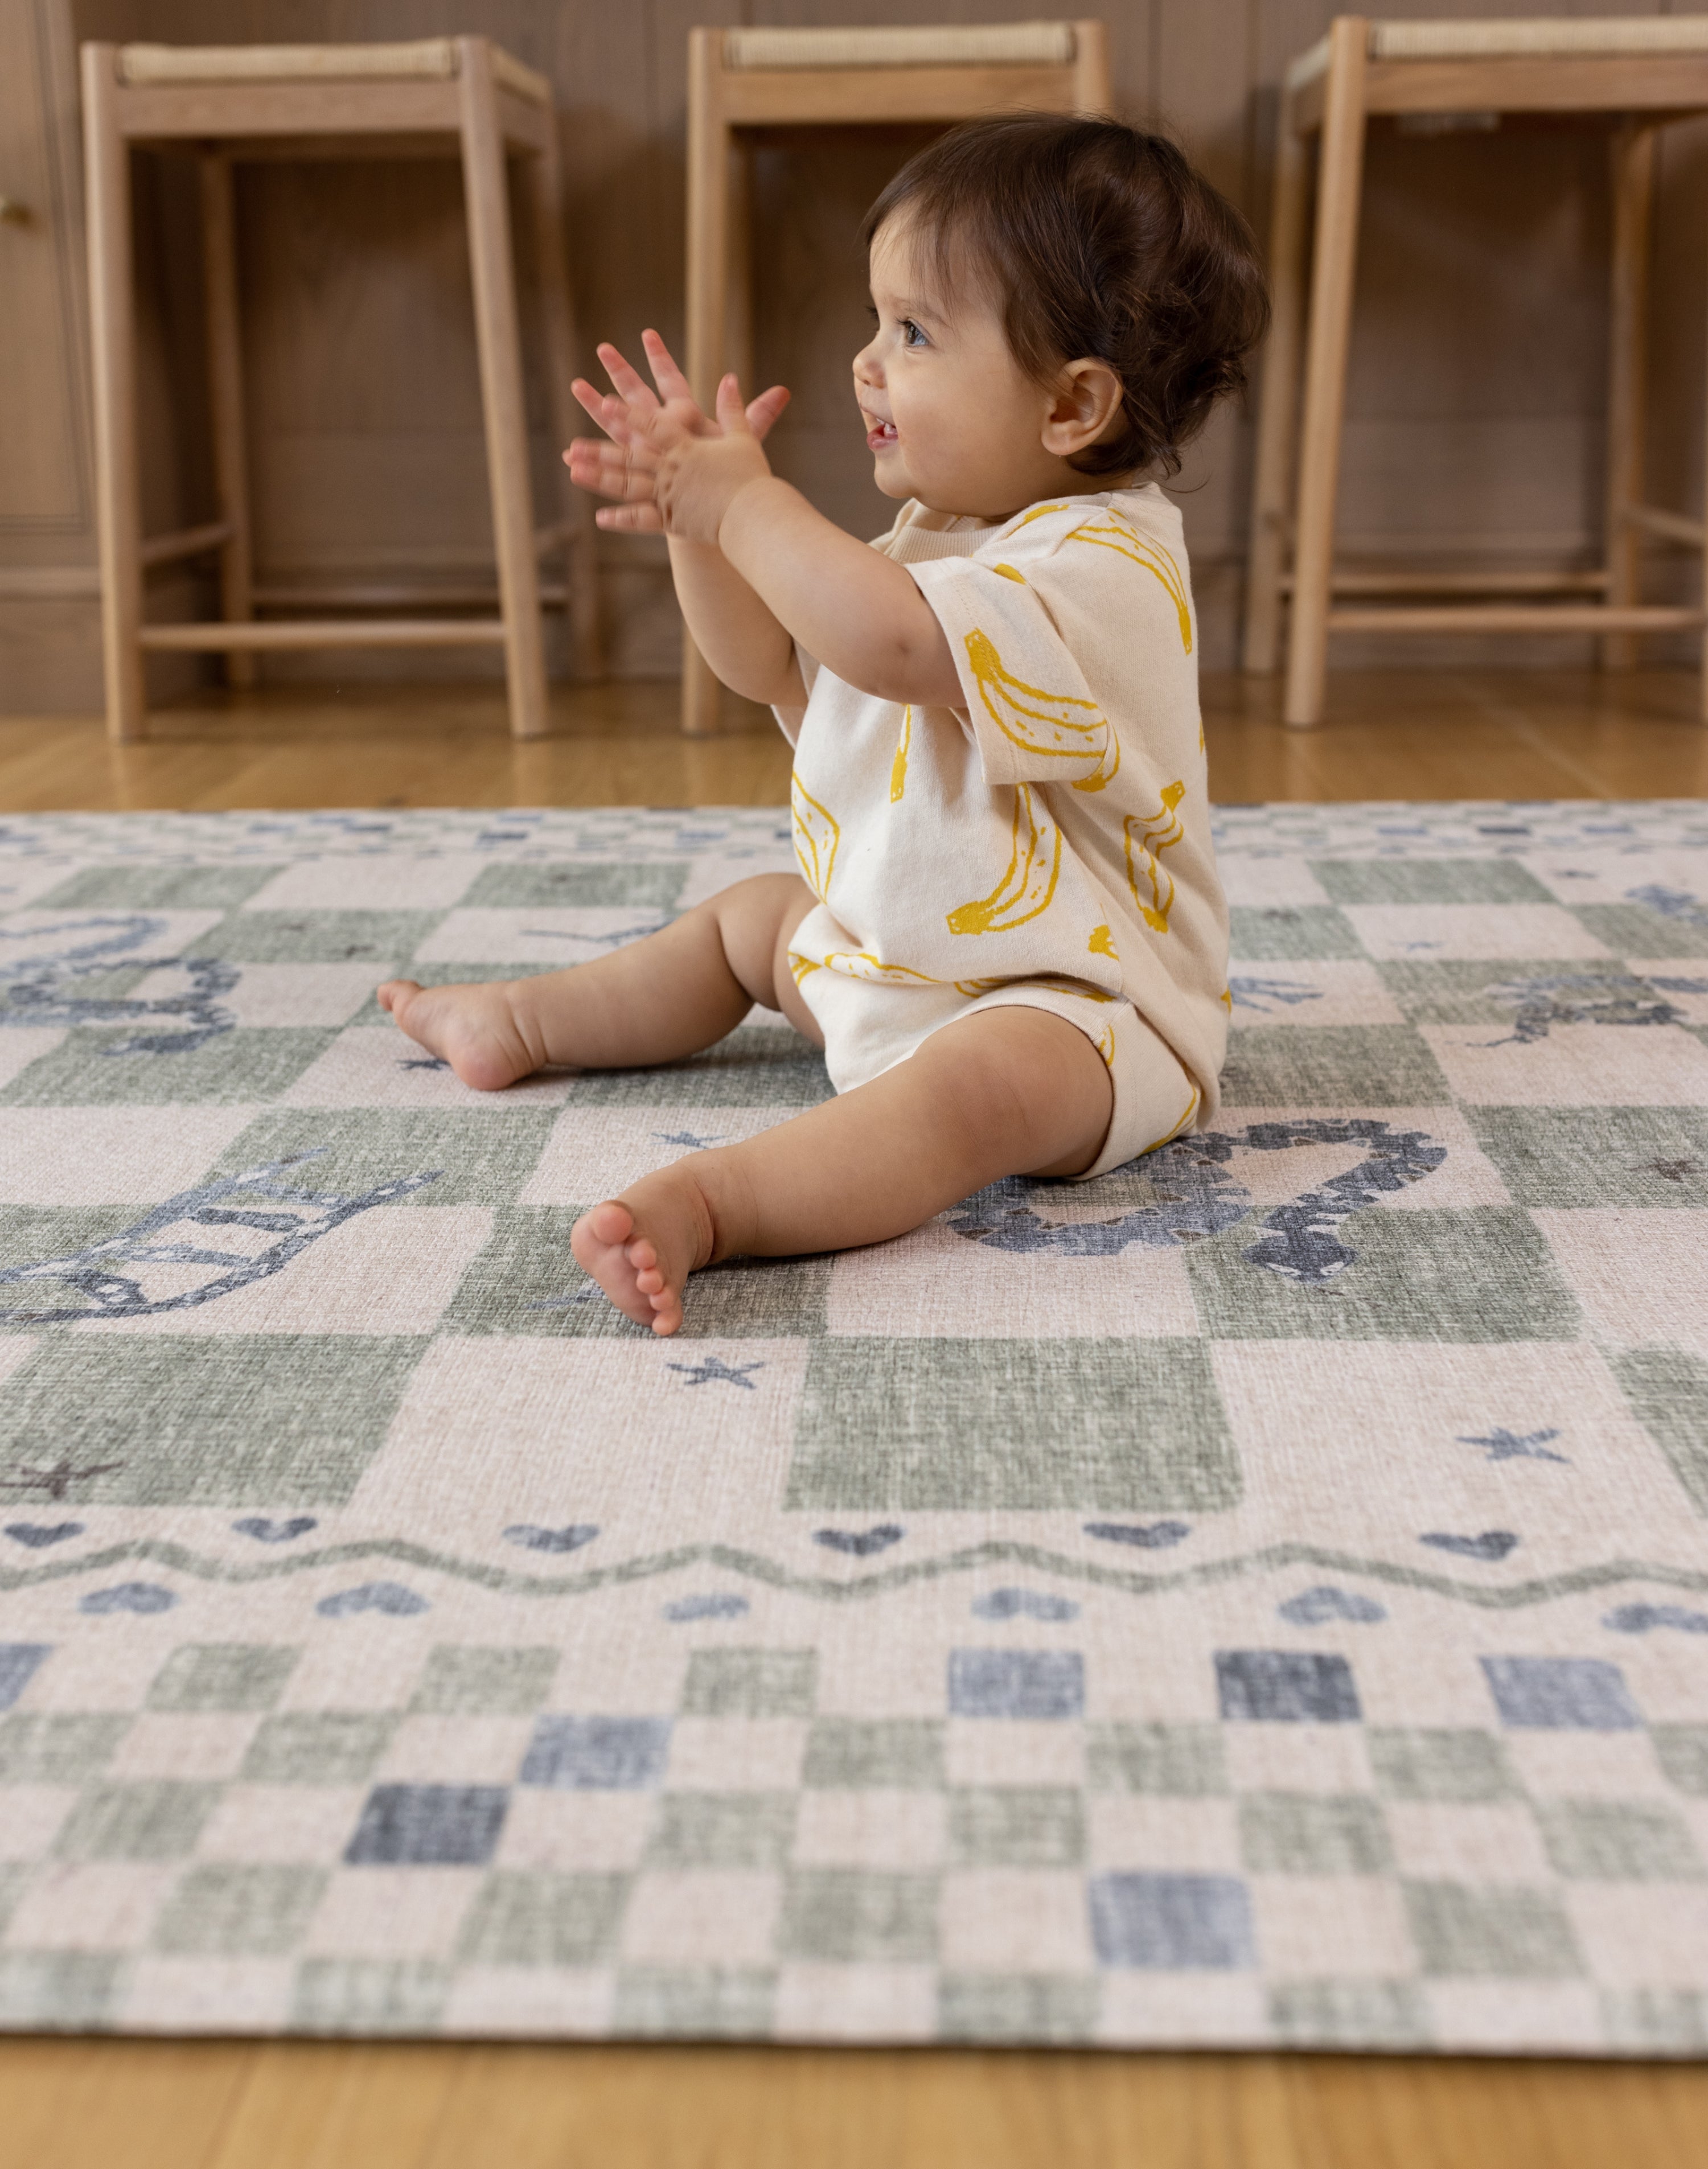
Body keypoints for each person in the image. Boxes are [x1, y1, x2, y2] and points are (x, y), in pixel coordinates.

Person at [379, 113, 1269, 1335]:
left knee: (976, 1090)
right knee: (747, 921)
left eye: (915, 333)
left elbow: (889, 644)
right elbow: (771, 666)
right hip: (898, 964)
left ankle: (716, 1204)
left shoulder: (1107, 569)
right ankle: (524, 1019)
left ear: (1072, 405)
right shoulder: (935, 545)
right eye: (875, 321)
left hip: (1084, 1015)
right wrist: (702, 530)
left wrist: (750, 508)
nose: (867, 362)